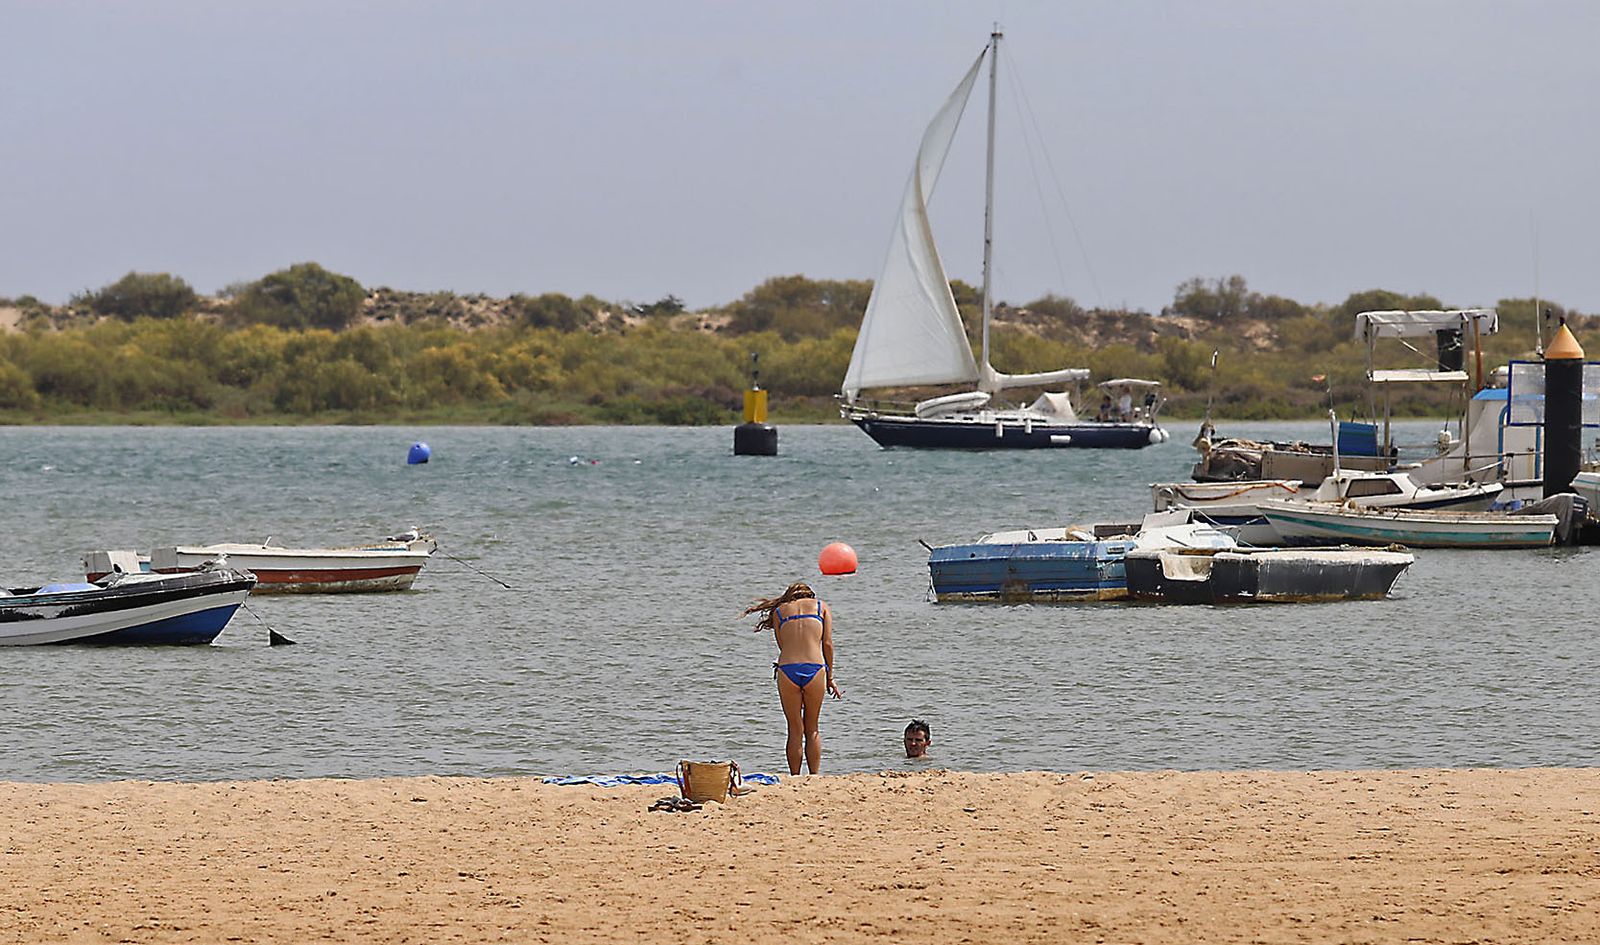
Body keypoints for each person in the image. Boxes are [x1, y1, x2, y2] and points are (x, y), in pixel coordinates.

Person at [744, 582, 842, 775]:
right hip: (815, 668)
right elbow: (828, 644)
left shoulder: (780, 611)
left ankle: (795, 777)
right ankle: (814, 776)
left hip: (787, 669)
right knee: (812, 727)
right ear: (810, 596)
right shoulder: (821, 607)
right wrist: (830, 676)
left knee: (794, 728)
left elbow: (783, 646)